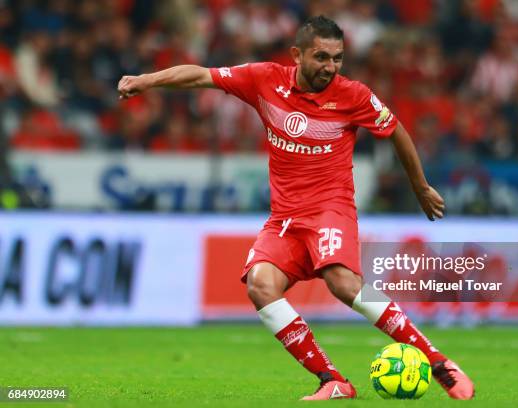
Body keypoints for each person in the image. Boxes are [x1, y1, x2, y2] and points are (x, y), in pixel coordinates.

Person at [118, 16, 474, 401]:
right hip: (285, 219)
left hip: (329, 209)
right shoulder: (263, 79)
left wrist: (420, 187)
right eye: (321, 57)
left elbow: (397, 132)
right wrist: (146, 80)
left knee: (343, 282)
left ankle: (438, 362)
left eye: (337, 58)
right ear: (297, 55)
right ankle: (332, 380)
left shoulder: (353, 95)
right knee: (260, 285)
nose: (330, 67)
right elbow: (200, 75)